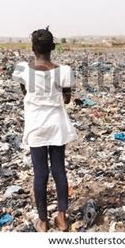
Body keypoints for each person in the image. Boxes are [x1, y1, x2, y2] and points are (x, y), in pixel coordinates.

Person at [12, 27, 76, 232]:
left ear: (32, 48)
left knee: (40, 172)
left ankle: (43, 220)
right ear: (53, 47)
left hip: (36, 125)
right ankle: (62, 218)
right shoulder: (64, 71)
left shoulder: (23, 70)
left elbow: (24, 91)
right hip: (57, 124)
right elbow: (67, 98)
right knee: (59, 169)